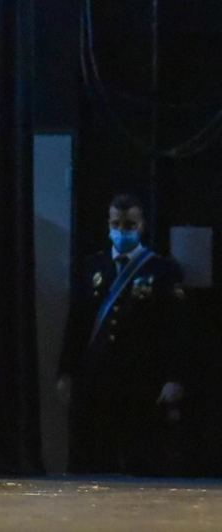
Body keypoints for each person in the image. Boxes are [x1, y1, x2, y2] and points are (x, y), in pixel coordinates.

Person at [57, 193, 187, 474]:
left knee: (141, 460)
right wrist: (66, 371)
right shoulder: (93, 266)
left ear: (141, 226)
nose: (121, 231)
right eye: (116, 224)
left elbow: (175, 330)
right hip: (96, 378)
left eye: (129, 224)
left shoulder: (162, 269)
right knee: (93, 460)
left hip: (141, 381)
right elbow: (77, 322)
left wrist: (174, 377)